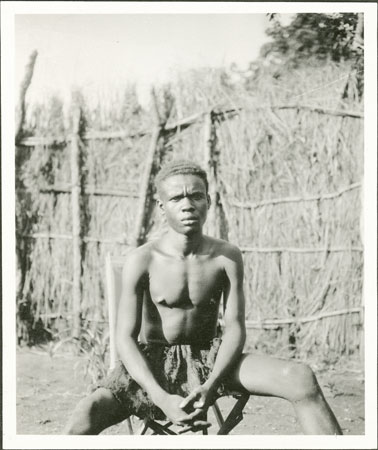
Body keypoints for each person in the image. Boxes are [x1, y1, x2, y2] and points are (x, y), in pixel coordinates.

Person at [65, 160, 342, 435]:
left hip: (211, 358)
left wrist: (211, 384)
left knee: (300, 378)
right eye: (176, 198)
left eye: (196, 195)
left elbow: (234, 327)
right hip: (154, 364)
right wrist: (160, 396)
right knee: (85, 415)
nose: (187, 204)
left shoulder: (226, 257)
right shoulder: (143, 260)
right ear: (162, 207)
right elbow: (124, 338)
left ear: (208, 201)